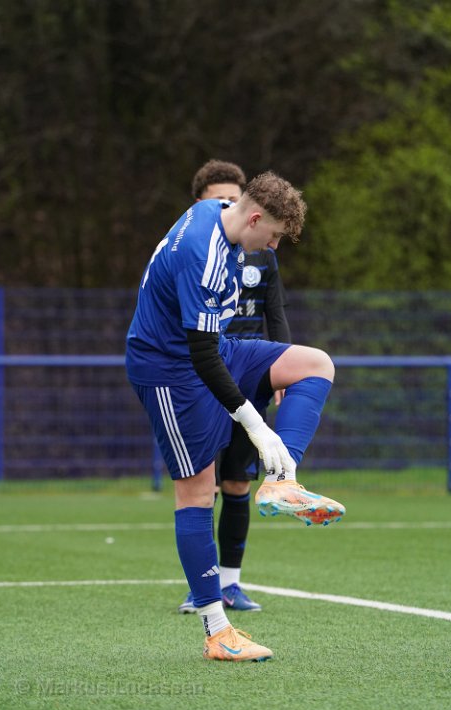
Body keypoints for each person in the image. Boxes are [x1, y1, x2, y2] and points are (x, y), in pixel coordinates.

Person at [126, 170, 345, 662]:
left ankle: (282, 481)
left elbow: (211, 347)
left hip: (214, 349)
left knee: (315, 364)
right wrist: (256, 424)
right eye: (275, 236)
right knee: (197, 491)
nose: (274, 247)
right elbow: (201, 356)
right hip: (169, 370)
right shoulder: (202, 253)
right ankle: (217, 630)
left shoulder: (216, 214)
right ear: (255, 218)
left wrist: (267, 435)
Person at [178, 160, 291, 615]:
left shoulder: (263, 253)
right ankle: (201, 588)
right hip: (204, 374)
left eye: (232, 195)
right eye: (217, 198)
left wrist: (279, 365)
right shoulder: (197, 247)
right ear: (201, 203)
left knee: (238, 482)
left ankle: (231, 583)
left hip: (247, 372)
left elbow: (275, 313)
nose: (226, 203)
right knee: (202, 484)